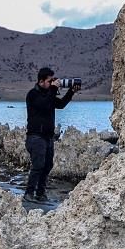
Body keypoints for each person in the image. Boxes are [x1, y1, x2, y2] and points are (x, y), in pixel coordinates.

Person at [24, 67, 79, 203]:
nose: (52, 83)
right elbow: (43, 105)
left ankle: (40, 193)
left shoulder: (49, 94)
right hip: (35, 136)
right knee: (38, 165)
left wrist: (71, 92)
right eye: (50, 81)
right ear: (41, 81)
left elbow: (60, 104)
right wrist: (53, 90)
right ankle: (29, 193)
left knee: (48, 165)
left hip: (48, 137)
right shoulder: (33, 94)